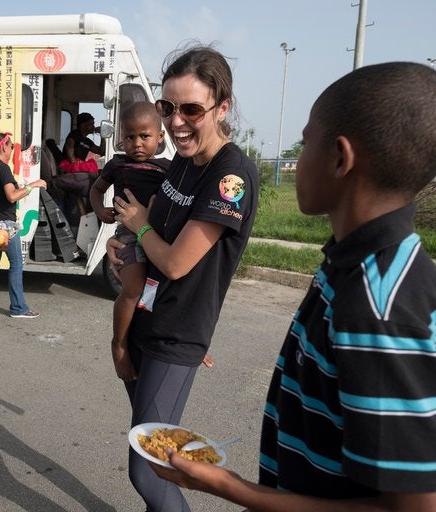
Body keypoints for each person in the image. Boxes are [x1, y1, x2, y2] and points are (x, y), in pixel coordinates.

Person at [150, 61, 436, 511]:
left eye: (304, 145)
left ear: (340, 158)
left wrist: (230, 488)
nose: (296, 160)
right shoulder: (348, 261)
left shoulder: (378, 307)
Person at [108, 45, 259, 511]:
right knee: (149, 446)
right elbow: (159, 240)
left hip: (174, 334)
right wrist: (125, 246)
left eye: (192, 109)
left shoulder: (229, 176)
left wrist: (139, 228)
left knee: (150, 468)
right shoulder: (183, 163)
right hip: (150, 320)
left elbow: (176, 262)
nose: (176, 122)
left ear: (222, 106)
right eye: (167, 108)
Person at [90, 102, 170, 363]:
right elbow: (96, 189)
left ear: (160, 137)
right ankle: (120, 344)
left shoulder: (168, 168)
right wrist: (100, 210)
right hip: (127, 233)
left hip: (159, 237)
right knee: (133, 290)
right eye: (130, 136)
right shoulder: (117, 165)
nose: (137, 143)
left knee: (163, 294)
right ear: (121, 139)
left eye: (145, 136)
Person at [0, 132, 46, 319]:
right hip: (5, 226)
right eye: (11, 146)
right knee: (16, 264)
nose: (12, 149)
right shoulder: (3, 168)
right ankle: (18, 308)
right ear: (4, 147)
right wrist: (34, 185)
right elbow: (12, 196)